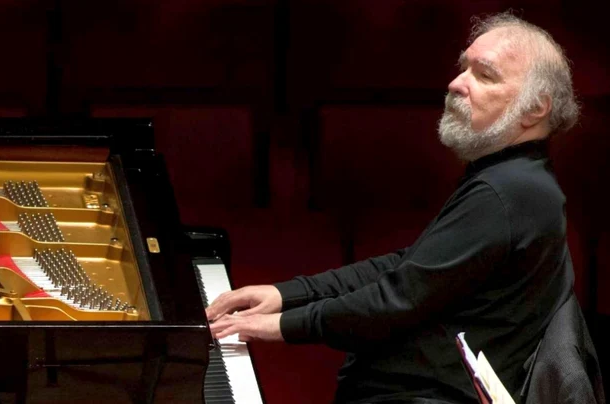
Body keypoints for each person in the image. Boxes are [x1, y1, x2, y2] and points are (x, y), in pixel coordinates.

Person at [206, 12, 580, 404]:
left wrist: (281, 325)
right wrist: (289, 294)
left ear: (536, 107)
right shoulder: (513, 177)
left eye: (484, 75)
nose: (456, 83)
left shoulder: (508, 192)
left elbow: (396, 299)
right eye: (462, 68)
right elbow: (411, 266)